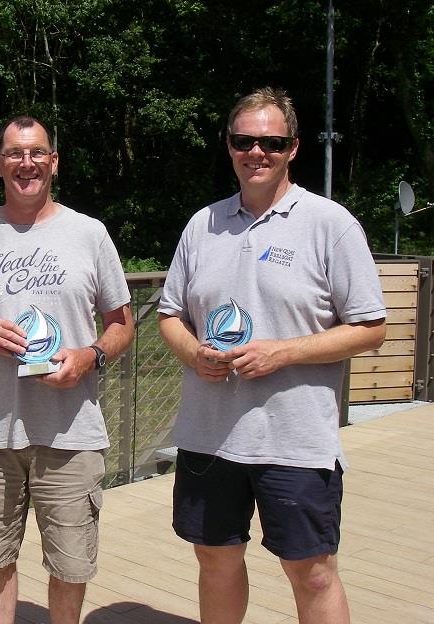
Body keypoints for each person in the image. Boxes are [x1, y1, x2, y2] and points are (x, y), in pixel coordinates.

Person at [158, 87, 386, 624]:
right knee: (214, 559)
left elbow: (371, 327)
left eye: (271, 141)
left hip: (296, 439)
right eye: (244, 140)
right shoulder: (202, 225)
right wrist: (195, 355)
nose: (256, 151)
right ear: (230, 145)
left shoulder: (330, 224)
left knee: (311, 571)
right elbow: (170, 315)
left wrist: (283, 352)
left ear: (293, 147)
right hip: (210, 435)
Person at [0, 115, 134, 624]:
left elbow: (122, 324)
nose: (27, 163)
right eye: (16, 154)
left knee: (70, 563)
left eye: (38, 153)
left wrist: (90, 357)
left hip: (70, 430)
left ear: (54, 162)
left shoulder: (89, 234)